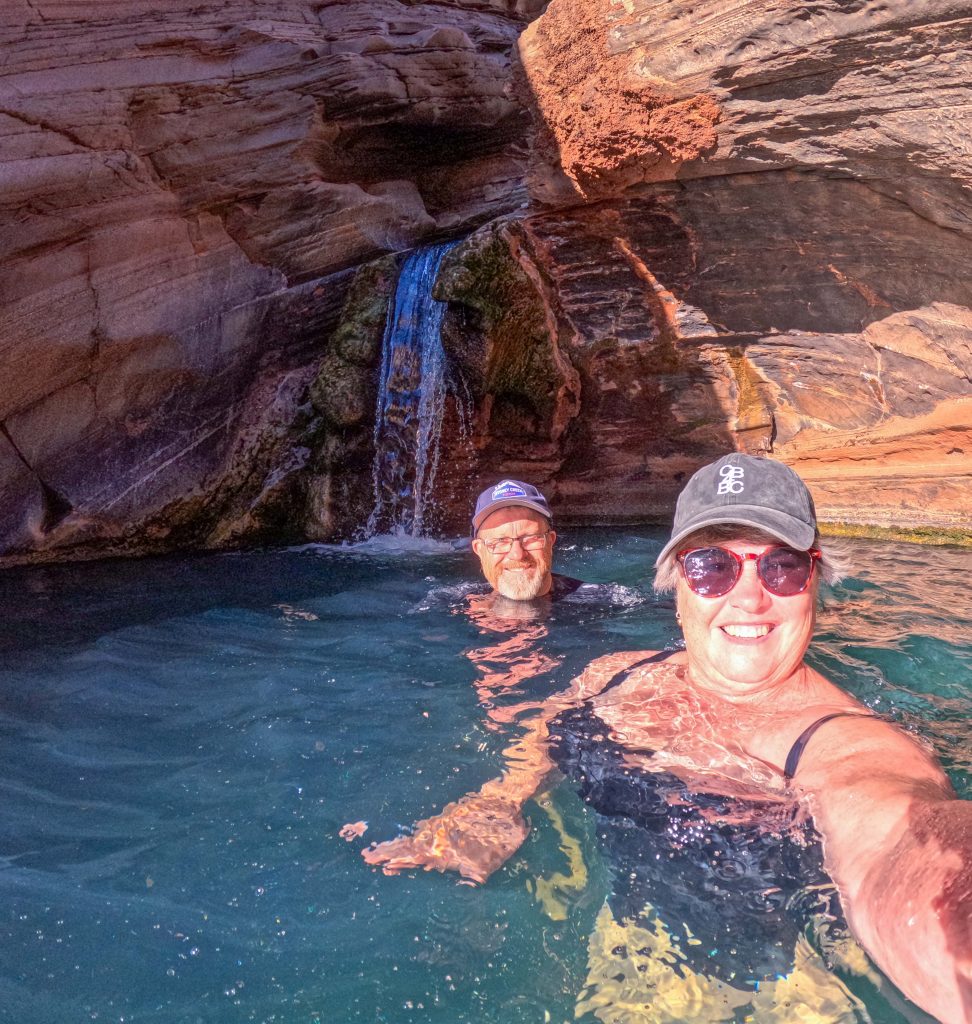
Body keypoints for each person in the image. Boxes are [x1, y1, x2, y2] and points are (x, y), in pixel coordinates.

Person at [363, 453, 972, 1023]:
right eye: (712, 567)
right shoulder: (617, 672)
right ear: (676, 583)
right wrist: (500, 799)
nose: (750, 597)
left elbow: (899, 835)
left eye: (781, 566)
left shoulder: (842, 743)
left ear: (816, 579)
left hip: (762, 991)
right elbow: (550, 725)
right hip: (612, 950)